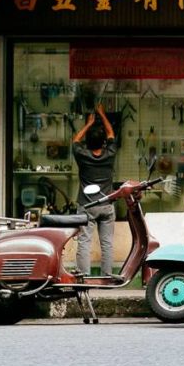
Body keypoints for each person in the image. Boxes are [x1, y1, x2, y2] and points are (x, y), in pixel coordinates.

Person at [73, 103, 118, 277]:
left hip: (86, 205)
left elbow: (76, 140)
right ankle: (107, 277)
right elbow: (111, 134)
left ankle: (84, 276)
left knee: (84, 241)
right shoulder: (110, 154)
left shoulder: (82, 155)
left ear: (88, 142)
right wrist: (102, 113)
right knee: (107, 243)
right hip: (106, 204)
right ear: (104, 142)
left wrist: (88, 124)